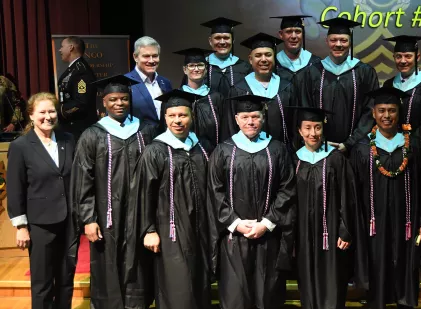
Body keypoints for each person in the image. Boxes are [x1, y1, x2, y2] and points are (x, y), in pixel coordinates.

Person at [71, 75, 158, 309]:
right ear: (104, 101)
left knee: (138, 263)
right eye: (113, 99)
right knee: (107, 262)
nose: (119, 103)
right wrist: (88, 219)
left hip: (139, 213)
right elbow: (83, 179)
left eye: (123, 98)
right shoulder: (92, 135)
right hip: (105, 213)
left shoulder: (145, 131)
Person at [207, 94, 296, 309]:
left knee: (268, 295)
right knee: (236, 296)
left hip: (268, 237)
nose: (250, 121)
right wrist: (235, 223)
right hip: (234, 238)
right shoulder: (223, 150)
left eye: (255, 116)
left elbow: (287, 189)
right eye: (245, 117)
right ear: (237, 119)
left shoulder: (277, 149)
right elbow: (214, 192)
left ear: (263, 118)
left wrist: (266, 223)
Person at [127, 90, 212, 309]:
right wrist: (149, 230)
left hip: (200, 228)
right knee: (177, 286)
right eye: (172, 115)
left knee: (200, 282)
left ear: (191, 117)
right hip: (170, 229)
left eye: (182, 115)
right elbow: (144, 193)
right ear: (165, 118)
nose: (177, 121)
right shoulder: (155, 151)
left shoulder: (202, 147)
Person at [350, 87, 421, 309]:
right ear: (374, 113)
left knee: (406, 261)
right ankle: (376, 301)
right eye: (382, 110)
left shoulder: (413, 145)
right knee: (376, 260)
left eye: (392, 110)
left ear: (399, 112)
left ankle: (405, 302)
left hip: (406, 220)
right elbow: (354, 193)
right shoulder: (362, 148)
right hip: (372, 221)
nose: (387, 116)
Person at [7, 92, 77, 309]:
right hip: (40, 224)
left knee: (66, 279)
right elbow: (15, 188)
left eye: (52, 111)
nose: (48, 116)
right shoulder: (21, 146)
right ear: (31, 116)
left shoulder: (68, 140)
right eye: (42, 112)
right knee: (42, 282)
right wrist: (21, 226)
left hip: (69, 222)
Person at [292, 106, 360, 309]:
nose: (313, 133)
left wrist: (344, 230)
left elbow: (348, 196)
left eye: (317, 127)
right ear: (300, 131)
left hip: (330, 232)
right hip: (303, 232)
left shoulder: (337, 159)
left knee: (332, 278)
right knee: (306, 277)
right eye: (308, 128)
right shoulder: (294, 159)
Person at [296, 17, 379, 152]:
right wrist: (319, 140)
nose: (338, 44)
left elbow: (370, 111)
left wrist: (351, 143)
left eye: (343, 40)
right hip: (319, 147)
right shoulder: (312, 73)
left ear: (350, 42)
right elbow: (307, 109)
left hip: (356, 148)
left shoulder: (364, 72)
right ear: (327, 41)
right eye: (333, 40)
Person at [226, 33, 295, 146]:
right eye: (258, 55)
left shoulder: (287, 87)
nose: (263, 59)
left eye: (268, 55)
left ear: (274, 57)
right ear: (250, 59)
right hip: (247, 155)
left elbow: (294, 123)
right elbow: (230, 126)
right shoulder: (238, 89)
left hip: (282, 152)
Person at [382, 35, 421, 132]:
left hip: (419, 144)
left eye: (408, 56)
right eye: (398, 56)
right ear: (394, 57)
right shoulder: (389, 85)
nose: (403, 61)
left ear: (417, 57)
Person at [174, 47, 224, 146]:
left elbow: (224, 129)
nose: (196, 69)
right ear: (185, 69)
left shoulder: (216, 98)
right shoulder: (176, 97)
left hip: (212, 154)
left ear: (206, 69)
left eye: (200, 65)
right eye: (191, 66)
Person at [125, 36, 173, 127]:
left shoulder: (165, 83)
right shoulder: (126, 82)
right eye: (146, 56)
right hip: (139, 139)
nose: (151, 61)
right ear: (135, 57)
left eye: (155, 56)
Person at [57, 36, 97, 141]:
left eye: (62, 46)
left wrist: (59, 111)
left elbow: (81, 103)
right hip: (70, 126)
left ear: (71, 47)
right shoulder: (73, 69)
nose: (59, 50)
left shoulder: (81, 71)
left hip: (78, 128)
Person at [201, 17, 252, 98]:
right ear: (210, 41)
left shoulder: (244, 67)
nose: (222, 42)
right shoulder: (200, 67)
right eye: (217, 38)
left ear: (233, 40)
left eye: (226, 38)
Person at [270, 15, 321, 83]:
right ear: (281, 34)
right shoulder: (272, 64)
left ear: (303, 34)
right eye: (289, 32)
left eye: (297, 31)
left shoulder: (316, 63)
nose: (293, 36)